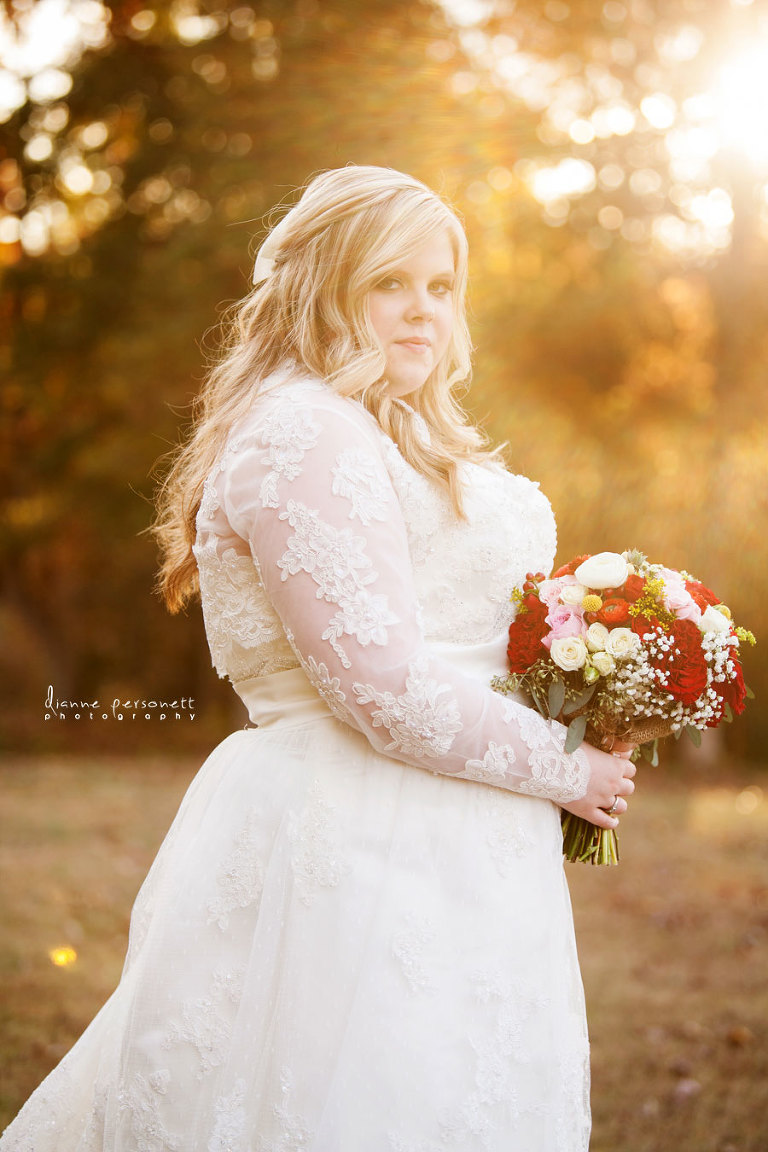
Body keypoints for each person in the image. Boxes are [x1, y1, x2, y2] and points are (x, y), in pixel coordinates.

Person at [1, 165, 635, 1151]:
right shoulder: (306, 433)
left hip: (461, 839)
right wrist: (566, 769)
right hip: (359, 834)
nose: (423, 310)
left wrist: (595, 688)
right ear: (320, 289)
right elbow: (381, 687)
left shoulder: (396, 430)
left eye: (440, 285)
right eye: (389, 282)